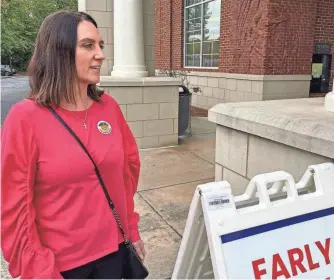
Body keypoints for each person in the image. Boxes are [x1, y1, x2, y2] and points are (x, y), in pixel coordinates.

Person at [1, 10, 146, 279]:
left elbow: (125, 176)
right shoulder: (25, 119)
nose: (100, 54)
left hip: (114, 253)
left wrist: (130, 229)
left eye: (100, 46)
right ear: (59, 52)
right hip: (62, 267)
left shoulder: (109, 108)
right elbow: (14, 208)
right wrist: (40, 271)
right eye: (88, 45)